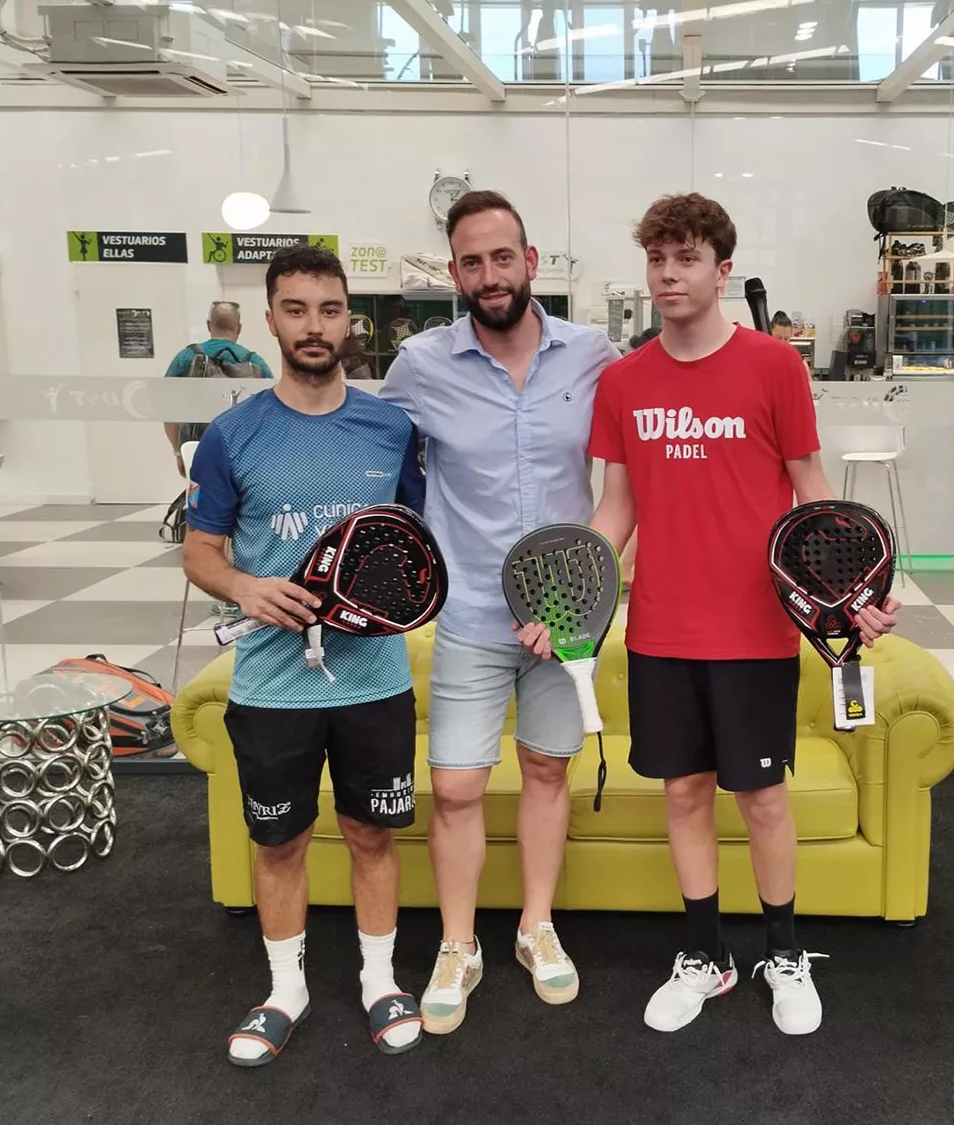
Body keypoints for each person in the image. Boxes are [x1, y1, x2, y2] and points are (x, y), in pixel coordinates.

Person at [523, 193, 898, 1036]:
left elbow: (812, 491)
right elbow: (616, 509)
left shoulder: (774, 368)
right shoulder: (624, 381)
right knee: (685, 793)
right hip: (660, 628)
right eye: (658, 259)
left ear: (722, 269)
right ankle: (707, 956)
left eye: (686, 259)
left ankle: (785, 952)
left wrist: (857, 592)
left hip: (757, 629)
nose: (668, 275)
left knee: (762, 797)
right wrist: (570, 599)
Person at [379, 190, 619, 1034]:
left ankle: (536, 927)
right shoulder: (419, 364)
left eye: (502, 257)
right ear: (454, 273)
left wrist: (589, 594)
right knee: (453, 787)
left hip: (566, 618)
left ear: (532, 261)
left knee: (548, 769)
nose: (489, 274)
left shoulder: (595, 354)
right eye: (471, 262)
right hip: (474, 612)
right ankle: (458, 944)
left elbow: (634, 472)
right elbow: (370, 454)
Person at [183, 245, 426, 1066]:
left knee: (369, 835)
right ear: (270, 319)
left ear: (348, 318)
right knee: (280, 843)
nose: (314, 326)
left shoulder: (392, 430)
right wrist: (248, 588)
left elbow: (410, 544)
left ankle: (379, 979)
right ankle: (286, 987)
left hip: (374, 679)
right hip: (271, 687)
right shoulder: (233, 434)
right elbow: (201, 552)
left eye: (329, 309)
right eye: (296, 309)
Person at [163, 300, 275, 478]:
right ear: (239, 328)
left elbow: (167, 408)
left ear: (209, 324)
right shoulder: (256, 363)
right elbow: (271, 414)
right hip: (243, 452)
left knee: (201, 499)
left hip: (197, 448)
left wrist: (179, 451)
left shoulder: (187, 357)